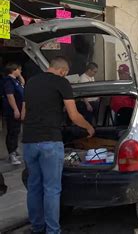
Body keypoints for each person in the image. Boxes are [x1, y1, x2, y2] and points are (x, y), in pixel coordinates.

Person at [22, 56, 95, 234]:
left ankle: (37, 227)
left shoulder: (30, 83)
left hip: (29, 142)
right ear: (63, 71)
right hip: (50, 142)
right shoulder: (62, 83)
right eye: (65, 74)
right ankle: (53, 230)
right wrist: (89, 127)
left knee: (34, 187)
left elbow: (24, 114)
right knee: (52, 189)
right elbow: (74, 115)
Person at [2, 63, 25, 165]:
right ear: (13, 70)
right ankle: (11, 153)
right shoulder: (8, 81)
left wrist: (19, 75)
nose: (20, 72)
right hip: (12, 110)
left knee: (16, 131)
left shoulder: (15, 81)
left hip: (19, 108)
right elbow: (10, 96)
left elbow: (23, 83)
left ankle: (15, 150)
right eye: (19, 70)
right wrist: (15, 109)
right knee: (12, 131)